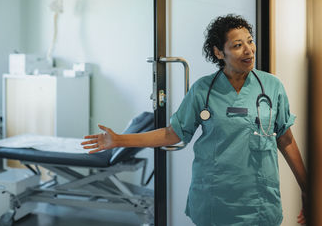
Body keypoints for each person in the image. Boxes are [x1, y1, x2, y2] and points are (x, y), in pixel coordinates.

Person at [81, 14, 307, 226]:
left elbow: (285, 139)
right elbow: (173, 134)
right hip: (214, 198)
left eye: (250, 41)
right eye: (238, 45)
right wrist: (120, 140)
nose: (249, 50)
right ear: (219, 53)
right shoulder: (203, 90)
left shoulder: (272, 86)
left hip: (259, 199)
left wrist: (308, 189)